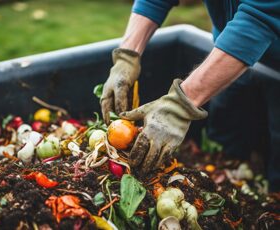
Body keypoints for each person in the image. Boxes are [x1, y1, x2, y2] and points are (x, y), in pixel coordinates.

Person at [100, 0, 280, 190]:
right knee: (223, 143)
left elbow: (261, 17)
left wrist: (180, 105)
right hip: (230, 54)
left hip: (252, 46)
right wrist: (127, 56)